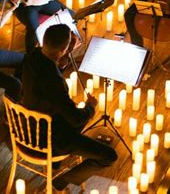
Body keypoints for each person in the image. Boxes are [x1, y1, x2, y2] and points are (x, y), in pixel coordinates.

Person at [22, 24, 118, 191]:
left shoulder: (32, 56)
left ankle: (57, 163)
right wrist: (90, 107)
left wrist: (64, 57)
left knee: (74, 111)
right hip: (49, 137)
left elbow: (47, 71)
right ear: (62, 50)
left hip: (26, 127)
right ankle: (62, 180)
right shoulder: (55, 83)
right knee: (109, 155)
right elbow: (76, 120)